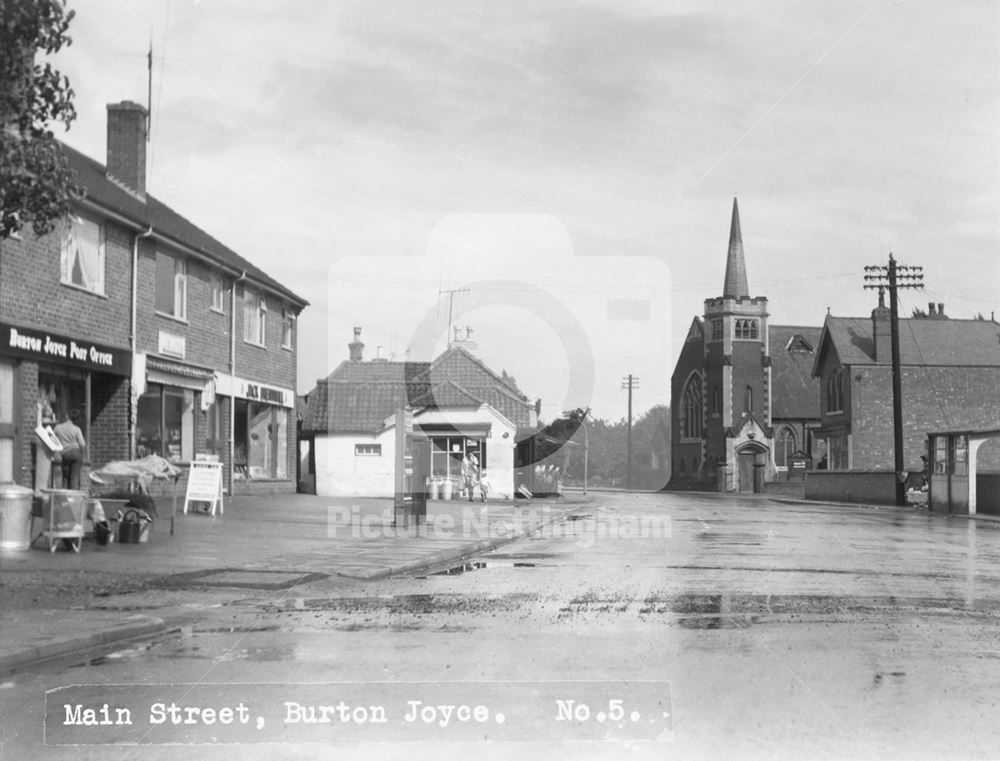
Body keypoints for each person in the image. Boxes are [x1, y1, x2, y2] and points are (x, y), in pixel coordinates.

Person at [53, 410, 86, 489]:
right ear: (77, 419)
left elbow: (52, 439)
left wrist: (56, 452)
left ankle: (65, 497)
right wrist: (83, 454)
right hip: (76, 453)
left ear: (67, 417)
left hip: (65, 453)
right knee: (74, 477)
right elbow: (82, 444)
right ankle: (74, 498)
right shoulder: (76, 429)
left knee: (65, 477)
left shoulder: (58, 427)